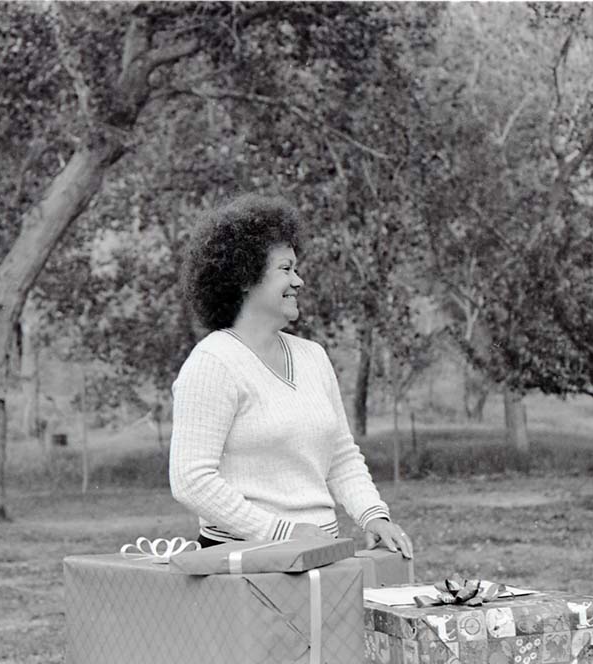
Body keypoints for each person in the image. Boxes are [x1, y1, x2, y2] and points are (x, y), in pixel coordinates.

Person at [168, 193, 412, 559]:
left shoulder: (312, 357)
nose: (298, 281)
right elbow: (191, 481)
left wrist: (373, 517)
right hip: (243, 565)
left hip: (323, 555)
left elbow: (341, 456)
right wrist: (279, 533)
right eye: (285, 269)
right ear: (244, 277)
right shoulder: (213, 363)